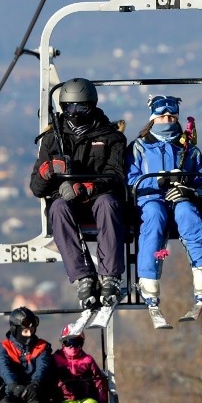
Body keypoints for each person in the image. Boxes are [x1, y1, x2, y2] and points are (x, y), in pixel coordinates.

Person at [29, 77, 127, 309]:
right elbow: (36, 188)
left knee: (108, 203)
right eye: (68, 107)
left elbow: (117, 176)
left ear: (91, 106)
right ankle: (83, 276)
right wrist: (48, 173)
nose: (74, 112)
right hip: (67, 200)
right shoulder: (52, 139)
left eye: (80, 106)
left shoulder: (110, 137)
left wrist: (88, 187)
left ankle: (110, 274)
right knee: (58, 208)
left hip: (98, 197)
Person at [126, 95, 202, 309]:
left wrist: (189, 189)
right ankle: (148, 279)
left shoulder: (188, 148)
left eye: (171, 116)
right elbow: (131, 180)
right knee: (154, 218)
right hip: (151, 199)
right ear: (153, 118)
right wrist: (156, 181)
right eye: (162, 116)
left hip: (180, 198)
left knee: (187, 213)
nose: (167, 120)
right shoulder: (139, 147)